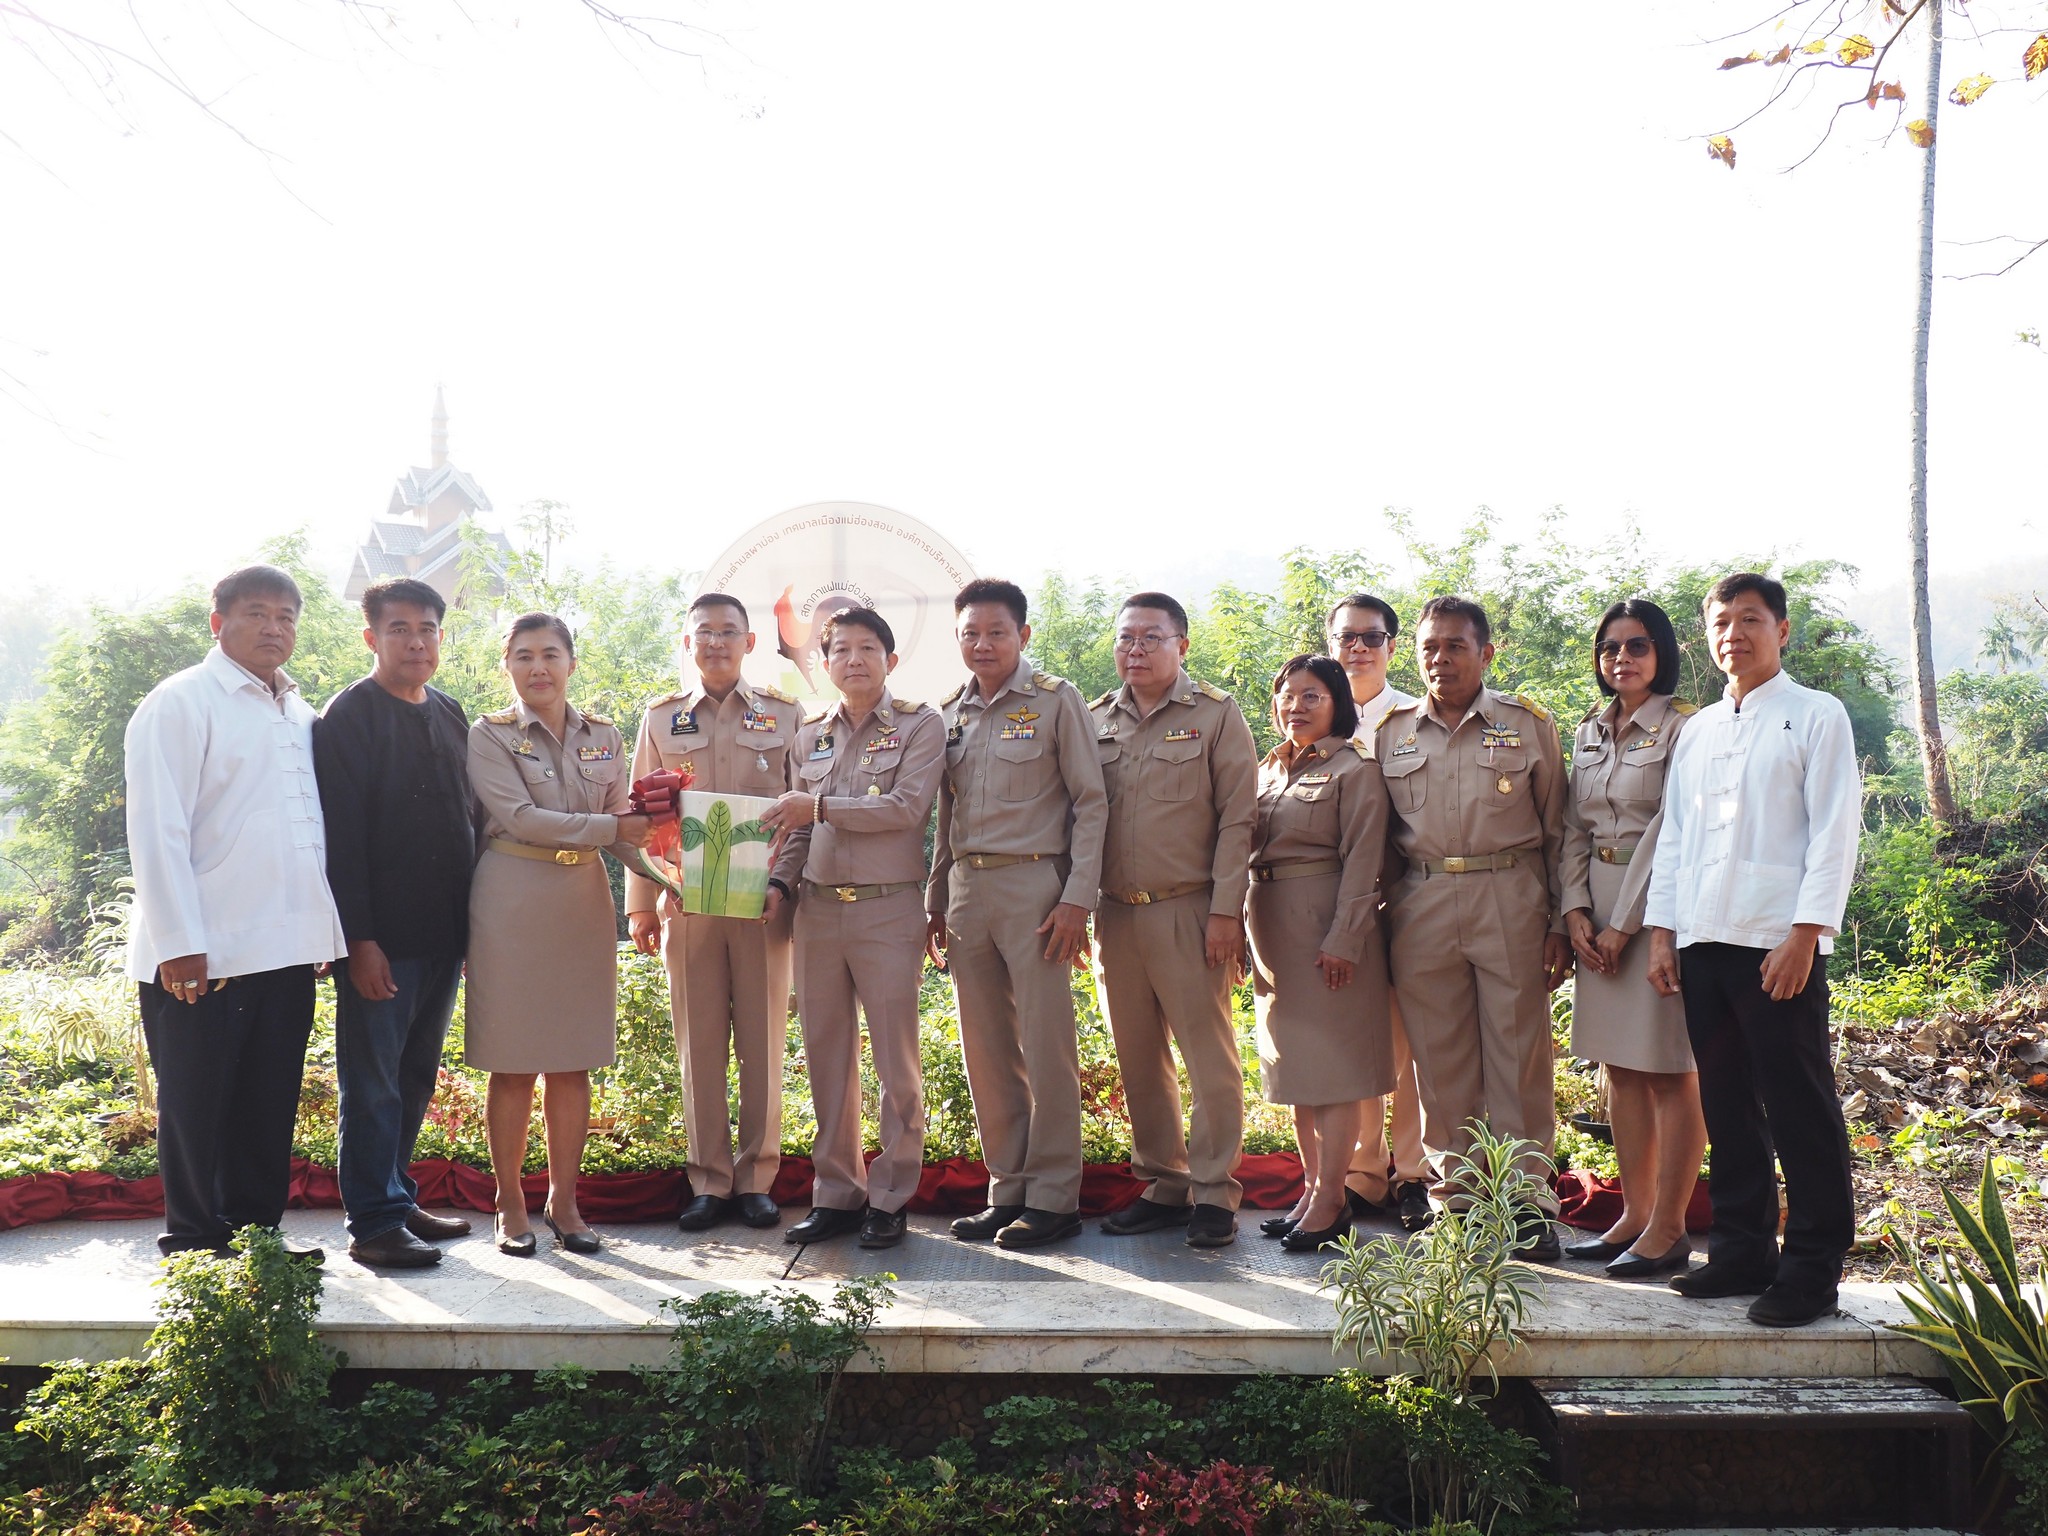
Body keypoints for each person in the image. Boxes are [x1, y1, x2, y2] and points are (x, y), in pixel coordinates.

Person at [1645, 572, 1861, 1328]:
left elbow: (1835, 831)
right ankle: (1740, 1250)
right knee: (1727, 1103)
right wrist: (1664, 932)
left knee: (1800, 1104)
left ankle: (1812, 1268)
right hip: (1704, 938)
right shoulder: (1699, 728)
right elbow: (1674, 837)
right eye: (1721, 622)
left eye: (1750, 619)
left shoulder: (1814, 715)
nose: (1733, 633)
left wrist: (1806, 933)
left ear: (1782, 630)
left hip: (1777, 943)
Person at [124, 564, 348, 1260]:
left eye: (286, 616)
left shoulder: (298, 712)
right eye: (256, 613)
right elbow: (158, 829)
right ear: (218, 622)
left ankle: (256, 1238)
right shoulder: (182, 703)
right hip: (203, 954)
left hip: (283, 951)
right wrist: (179, 943)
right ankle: (194, 1243)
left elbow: (304, 831)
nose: (273, 627)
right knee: (196, 1107)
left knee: (266, 1103)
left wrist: (320, 930)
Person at [1372, 596, 1572, 1260]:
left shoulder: (1525, 724)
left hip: (1509, 895)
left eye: (1456, 646)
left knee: (1519, 1057)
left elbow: (1557, 831)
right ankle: (1452, 1200)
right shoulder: (1392, 731)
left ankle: (1526, 1202)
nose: (1441, 659)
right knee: (1440, 1063)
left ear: (1485, 654)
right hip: (1422, 902)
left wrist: (1561, 922)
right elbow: (1382, 842)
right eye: (1430, 647)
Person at [926, 577, 1107, 1250]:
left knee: (1046, 1045)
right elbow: (947, 815)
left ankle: (1056, 1199)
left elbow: (1092, 803)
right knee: (987, 1051)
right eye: (970, 633)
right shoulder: (951, 714)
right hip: (970, 890)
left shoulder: (1057, 702)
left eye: (996, 632)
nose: (983, 644)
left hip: (1037, 890)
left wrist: (1076, 897)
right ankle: (1007, 1191)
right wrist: (936, 899)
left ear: (1023, 636)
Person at [466, 613, 652, 1256]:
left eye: (550, 653)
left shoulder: (604, 736)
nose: (537, 667)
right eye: (523, 656)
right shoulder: (488, 736)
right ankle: (510, 1203)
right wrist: (614, 833)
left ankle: (565, 1202)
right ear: (507, 666)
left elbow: (625, 827)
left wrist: (682, 883)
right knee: (513, 1063)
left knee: (574, 1061)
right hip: (512, 897)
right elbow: (519, 817)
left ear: (571, 663)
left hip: (582, 901)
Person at [760, 608, 945, 1250]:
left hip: (888, 909)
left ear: (891, 660)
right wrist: (780, 884)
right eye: (841, 650)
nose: (854, 659)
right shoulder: (809, 734)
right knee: (826, 1057)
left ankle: (891, 1197)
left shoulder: (923, 725)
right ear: (828, 662)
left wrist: (814, 806)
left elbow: (905, 809)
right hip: (817, 910)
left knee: (896, 1058)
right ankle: (837, 1193)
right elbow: (797, 828)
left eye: (869, 648)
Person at [313, 577, 479, 1270]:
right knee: (372, 1080)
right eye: (399, 629)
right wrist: (360, 943)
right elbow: (341, 842)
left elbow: (467, 823)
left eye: (428, 629)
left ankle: (397, 1195)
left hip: (442, 935)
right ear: (370, 636)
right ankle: (374, 1224)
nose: (416, 641)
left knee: (415, 1076)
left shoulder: (448, 712)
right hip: (382, 943)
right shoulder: (348, 717)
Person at [624, 594, 803, 1233]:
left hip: (762, 906)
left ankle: (756, 1179)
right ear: (688, 642)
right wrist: (643, 901)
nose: (717, 643)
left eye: (730, 632)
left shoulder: (786, 716)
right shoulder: (661, 720)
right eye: (705, 633)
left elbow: (801, 811)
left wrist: (784, 886)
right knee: (698, 1042)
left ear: (750, 643)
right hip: (688, 904)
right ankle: (708, 1179)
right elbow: (643, 816)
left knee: (762, 1043)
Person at [1089, 592, 1258, 1249]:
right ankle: (1164, 1183)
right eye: (1126, 639)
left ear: (1181, 645)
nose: (1135, 650)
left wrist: (1225, 912)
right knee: (1138, 1057)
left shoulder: (1215, 716)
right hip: (1116, 915)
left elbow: (1238, 819)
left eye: (1150, 638)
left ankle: (1215, 1193)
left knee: (1208, 1057)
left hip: (1190, 910)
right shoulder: (1096, 718)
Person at [1557, 598, 1706, 1280]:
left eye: (1637, 646)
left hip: (1659, 911)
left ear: (1662, 653)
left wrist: (1624, 926)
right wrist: (1576, 912)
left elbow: (1668, 834)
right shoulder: (1589, 729)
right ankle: (1634, 1212)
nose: (1622, 658)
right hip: (1597, 905)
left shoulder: (1684, 730)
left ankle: (1671, 1226)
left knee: (1670, 1071)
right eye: (1611, 647)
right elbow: (1573, 829)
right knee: (1620, 1068)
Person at [1245, 655, 1393, 1254]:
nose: (1296, 706)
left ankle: (1334, 1198)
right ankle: (1311, 1189)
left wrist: (1344, 938)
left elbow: (1365, 861)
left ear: (1338, 703)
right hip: (1272, 927)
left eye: (1312, 696)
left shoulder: (1355, 770)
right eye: (1287, 695)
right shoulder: (1267, 769)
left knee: (1335, 1073)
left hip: (1326, 926)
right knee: (1297, 1072)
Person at [1325, 592, 1433, 1234]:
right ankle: (1361, 1175)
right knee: (1355, 1041)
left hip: (1410, 901)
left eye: (1371, 636)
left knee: (1417, 1045)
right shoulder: (1310, 715)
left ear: (1393, 646)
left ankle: (1416, 1173)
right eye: (1346, 638)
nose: (1358, 648)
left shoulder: (1416, 717)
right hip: (1337, 910)